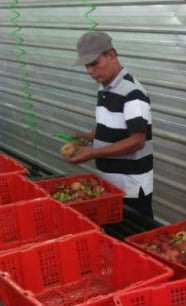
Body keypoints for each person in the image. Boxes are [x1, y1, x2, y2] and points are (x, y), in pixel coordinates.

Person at [68, 31, 154, 218]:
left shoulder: (133, 93)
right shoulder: (106, 88)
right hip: (112, 185)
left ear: (112, 56)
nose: (90, 71)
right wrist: (88, 139)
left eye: (94, 63)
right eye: (86, 65)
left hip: (131, 189)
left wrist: (92, 153)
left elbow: (137, 140)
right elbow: (113, 129)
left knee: (132, 238)